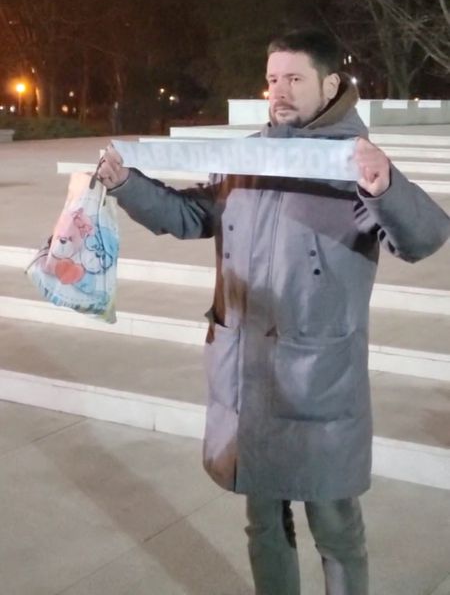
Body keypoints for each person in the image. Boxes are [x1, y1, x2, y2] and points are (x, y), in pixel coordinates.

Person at [98, 29, 450, 595]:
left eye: (294, 78)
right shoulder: (249, 153)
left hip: (317, 383)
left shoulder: (352, 162)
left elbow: (424, 237)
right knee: (263, 523)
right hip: (246, 374)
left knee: (336, 529)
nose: (278, 92)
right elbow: (191, 217)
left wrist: (382, 185)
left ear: (330, 84)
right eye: (271, 79)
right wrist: (126, 184)